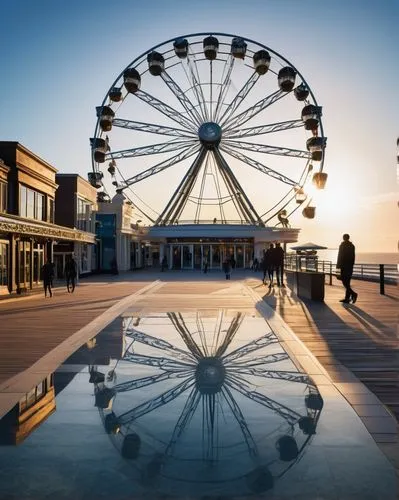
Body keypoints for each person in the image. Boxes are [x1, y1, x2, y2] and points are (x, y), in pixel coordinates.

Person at [336, 233, 357, 304]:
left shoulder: (342, 246)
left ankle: (353, 294)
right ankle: (347, 298)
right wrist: (351, 265)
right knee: (347, 282)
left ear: (344, 238)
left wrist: (338, 267)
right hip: (349, 267)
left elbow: (340, 256)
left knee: (345, 282)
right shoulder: (352, 246)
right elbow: (353, 257)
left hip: (344, 266)